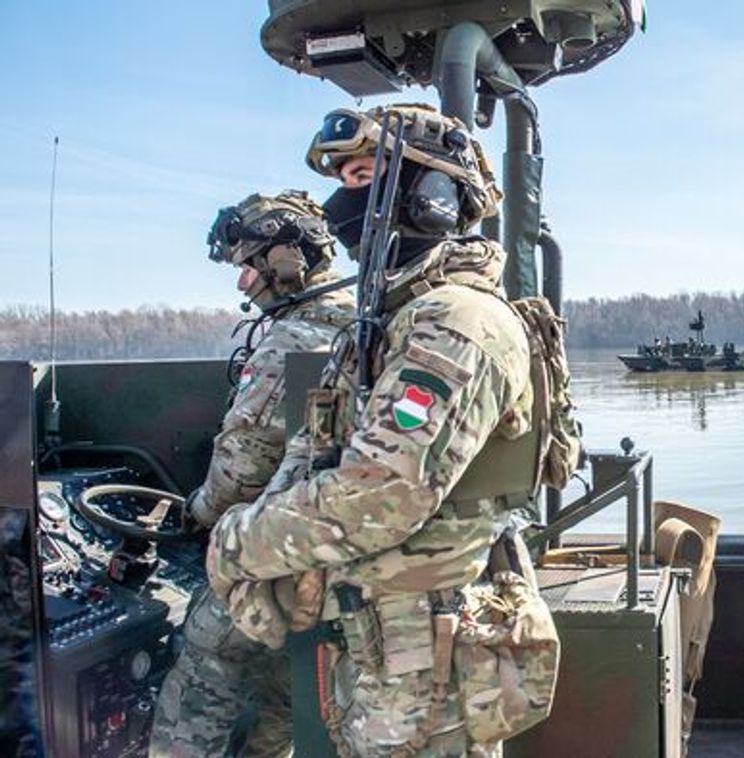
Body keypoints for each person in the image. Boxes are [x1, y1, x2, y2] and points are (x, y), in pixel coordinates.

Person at [206, 103, 571, 756]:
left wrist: (234, 545)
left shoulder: (457, 322)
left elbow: (381, 493)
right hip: (387, 651)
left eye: (362, 177)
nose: (341, 206)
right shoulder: (387, 325)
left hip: (432, 664)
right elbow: (315, 456)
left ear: (432, 196)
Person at [150, 191, 354, 757]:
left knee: (203, 668)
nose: (243, 283)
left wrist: (194, 513)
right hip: (340, 558)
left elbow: (241, 473)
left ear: (286, 260)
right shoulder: (362, 325)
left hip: (279, 555)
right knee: (281, 700)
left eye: (247, 267)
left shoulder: (292, 340)